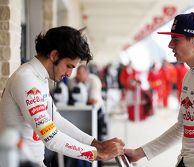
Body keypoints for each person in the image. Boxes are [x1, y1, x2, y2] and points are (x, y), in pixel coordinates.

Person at [125, 12, 194, 167]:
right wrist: (139, 153)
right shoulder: (189, 75)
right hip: (184, 161)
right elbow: (182, 126)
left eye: (175, 39)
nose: (170, 45)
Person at [0, 26, 124, 167]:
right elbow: (51, 138)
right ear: (54, 56)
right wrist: (97, 154)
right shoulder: (27, 79)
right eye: (69, 66)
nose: (70, 74)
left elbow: (55, 120)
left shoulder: (38, 77)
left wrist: (95, 143)